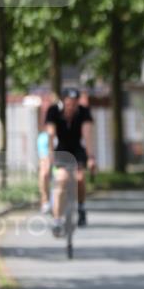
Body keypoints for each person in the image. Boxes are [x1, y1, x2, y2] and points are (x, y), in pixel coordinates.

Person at [45, 87, 95, 233]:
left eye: (74, 103)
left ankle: (81, 207)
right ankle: (57, 219)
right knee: (61, 180)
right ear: (63, 101)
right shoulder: (53, 111)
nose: (71, 106)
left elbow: (87, 135)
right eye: (68, 103)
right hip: (61, 149)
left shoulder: (84, 112)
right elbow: (51, 133)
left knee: (79, 178)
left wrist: (91, 156)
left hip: (77, 149)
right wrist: (50, 154)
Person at [37, 126, 51, 215]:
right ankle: (45, 201)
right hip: (46, 160)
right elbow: (42, 156)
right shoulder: (42, 137)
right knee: (43, 175)